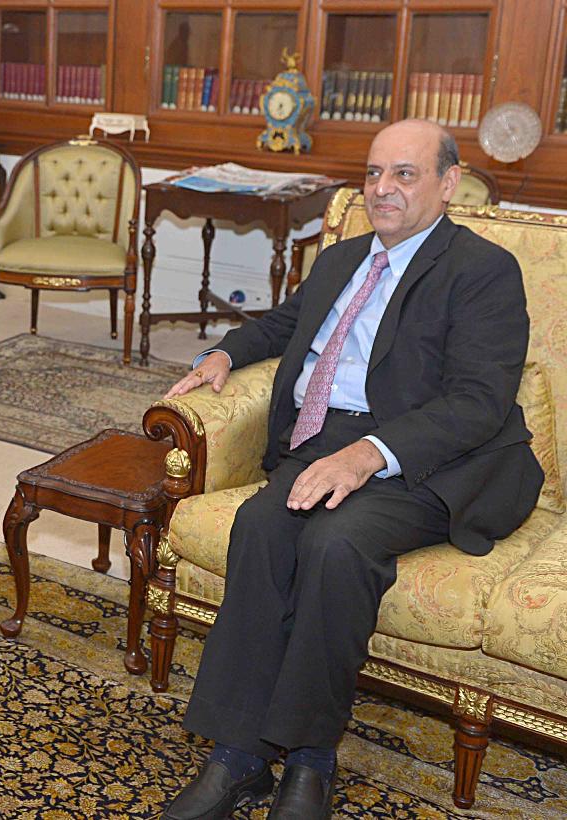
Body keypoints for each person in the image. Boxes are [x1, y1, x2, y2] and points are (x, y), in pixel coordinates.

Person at [160, 120, 542, 819]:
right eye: (373, 173)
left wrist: (369, 455)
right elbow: (286, 324)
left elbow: (479, 401)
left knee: (336, 544)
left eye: (404, 173)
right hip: (326, 440)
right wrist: (226, 352)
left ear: (448, 184)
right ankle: (238, 756)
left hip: (432, 458)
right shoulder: (342, 257)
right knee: (261, 526)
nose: (382, 189)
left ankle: (310, 758)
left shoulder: (482, 270)